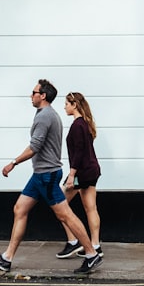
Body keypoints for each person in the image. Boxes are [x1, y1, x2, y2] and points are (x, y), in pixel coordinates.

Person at [0, 79, 103, 274]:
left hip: (46, 175)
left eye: (34, 92)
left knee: (65, 214)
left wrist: (13, 163)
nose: (31, 95)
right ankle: (7, 258)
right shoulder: (49, 115)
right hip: (40, 174)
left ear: (43, 96)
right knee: (20, 208)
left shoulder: (45, 116)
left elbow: (35, 147)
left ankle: (91, 254)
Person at [55, 91, 102, 259]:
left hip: (82, 172)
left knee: (59, 205)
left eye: (67, 104)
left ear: (74, 105)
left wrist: (71, 175)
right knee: (91, 208)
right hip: (92, 170)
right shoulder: (86, 123)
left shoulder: (77, 125)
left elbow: (79, 152)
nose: (64, 107)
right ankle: (95, 245)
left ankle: (73, 241)